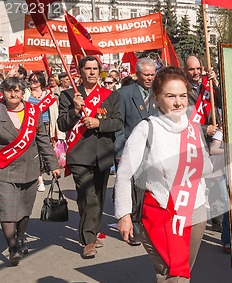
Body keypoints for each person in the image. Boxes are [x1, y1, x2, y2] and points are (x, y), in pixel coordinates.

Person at [115, 67, 212, 283]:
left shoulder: (193, 129)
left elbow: (205, 169)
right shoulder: (147, 130)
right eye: (170, 96)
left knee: (177, 271)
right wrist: (123, 215)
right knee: (176, 278)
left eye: (182, 95)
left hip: (196, 211)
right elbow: (124, 175)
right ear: (156, 97)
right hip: (162, 214)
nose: (178, 102)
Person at [57, 56, 123, 259]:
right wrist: (75, 110)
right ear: (80, 71)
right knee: (88, 196)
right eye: (88, 68)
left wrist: (99, 124)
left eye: (95, 68)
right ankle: (89, 241)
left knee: (99, 197)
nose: (92, 72)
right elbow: (61, 124)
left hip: (103, 153)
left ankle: (90, 231)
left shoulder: (111, 96)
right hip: (79, 154)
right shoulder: (68, 95)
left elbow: (118, 122)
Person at [0, 77, 60, 265]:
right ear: (3, 92)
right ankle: (12, 247)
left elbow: (43, 141)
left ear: (23, 92)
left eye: (17, 90)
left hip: (30, 167)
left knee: (25, 208)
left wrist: (53, 165)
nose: (13, 94)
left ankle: (20, 237)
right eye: (9, 90)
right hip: (5, 168)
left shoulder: (32, 112)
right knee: (7, 209)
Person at [114, 57, 158, 246]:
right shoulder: (125, 94)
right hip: (131, 148)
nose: (149, 78)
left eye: (152, 74)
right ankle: (133, 225)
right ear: (137, 74)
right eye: (146, 75)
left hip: (154, 149)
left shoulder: (159, 92)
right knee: (132, 189)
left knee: (147, 188)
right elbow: (118, 125)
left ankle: (145, 221)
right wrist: (119, 150)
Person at [24, 71, 64, 192]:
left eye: (35, 81)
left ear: (41, 82)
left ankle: (50, 170)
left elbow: (55, 114)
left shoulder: (49, 96)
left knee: (45, 151)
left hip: (46, 126)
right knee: (34, 152)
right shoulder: (26, 94)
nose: (32, 83)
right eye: (31, 80)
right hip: (30, 126)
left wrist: (59, 133)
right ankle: (39, 178)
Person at [183, 55, 219, 137]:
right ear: (185, 70)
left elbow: (223, 103)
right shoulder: (183, 89)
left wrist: (215, 84)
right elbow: (183, 121)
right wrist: (204, 129)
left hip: (216, 134)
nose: (195, 72)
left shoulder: (209, 83)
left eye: (198, 68)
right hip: (196, 138)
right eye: (191, 69)